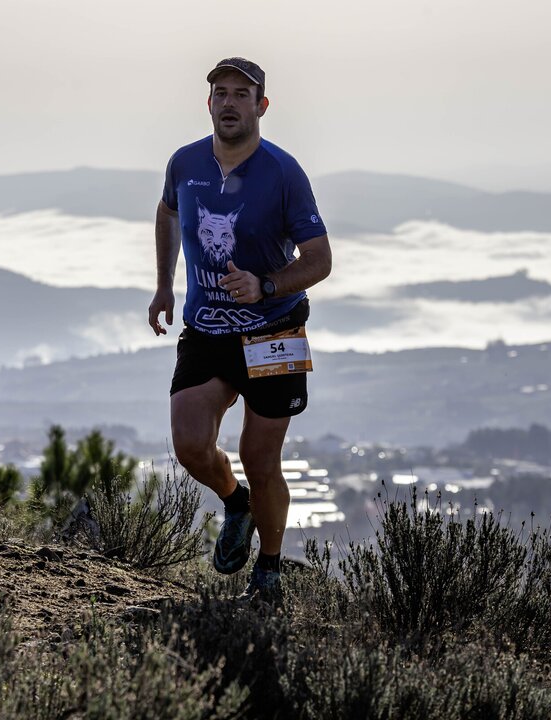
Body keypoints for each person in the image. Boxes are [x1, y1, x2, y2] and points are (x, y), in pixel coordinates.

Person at [147, 57, 332, 599]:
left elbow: (319, 260)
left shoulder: (283, 173)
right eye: (220, 93)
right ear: (209, 104)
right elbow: (168, 213)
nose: (229, 102)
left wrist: (266, 284)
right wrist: (164, 285)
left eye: (241, 94)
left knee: (261, 457)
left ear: (261, 106)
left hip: (274, 328)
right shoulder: (185, 163)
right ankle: (236, 502)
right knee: (190, 445)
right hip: (207, 328)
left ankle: (268, 571)